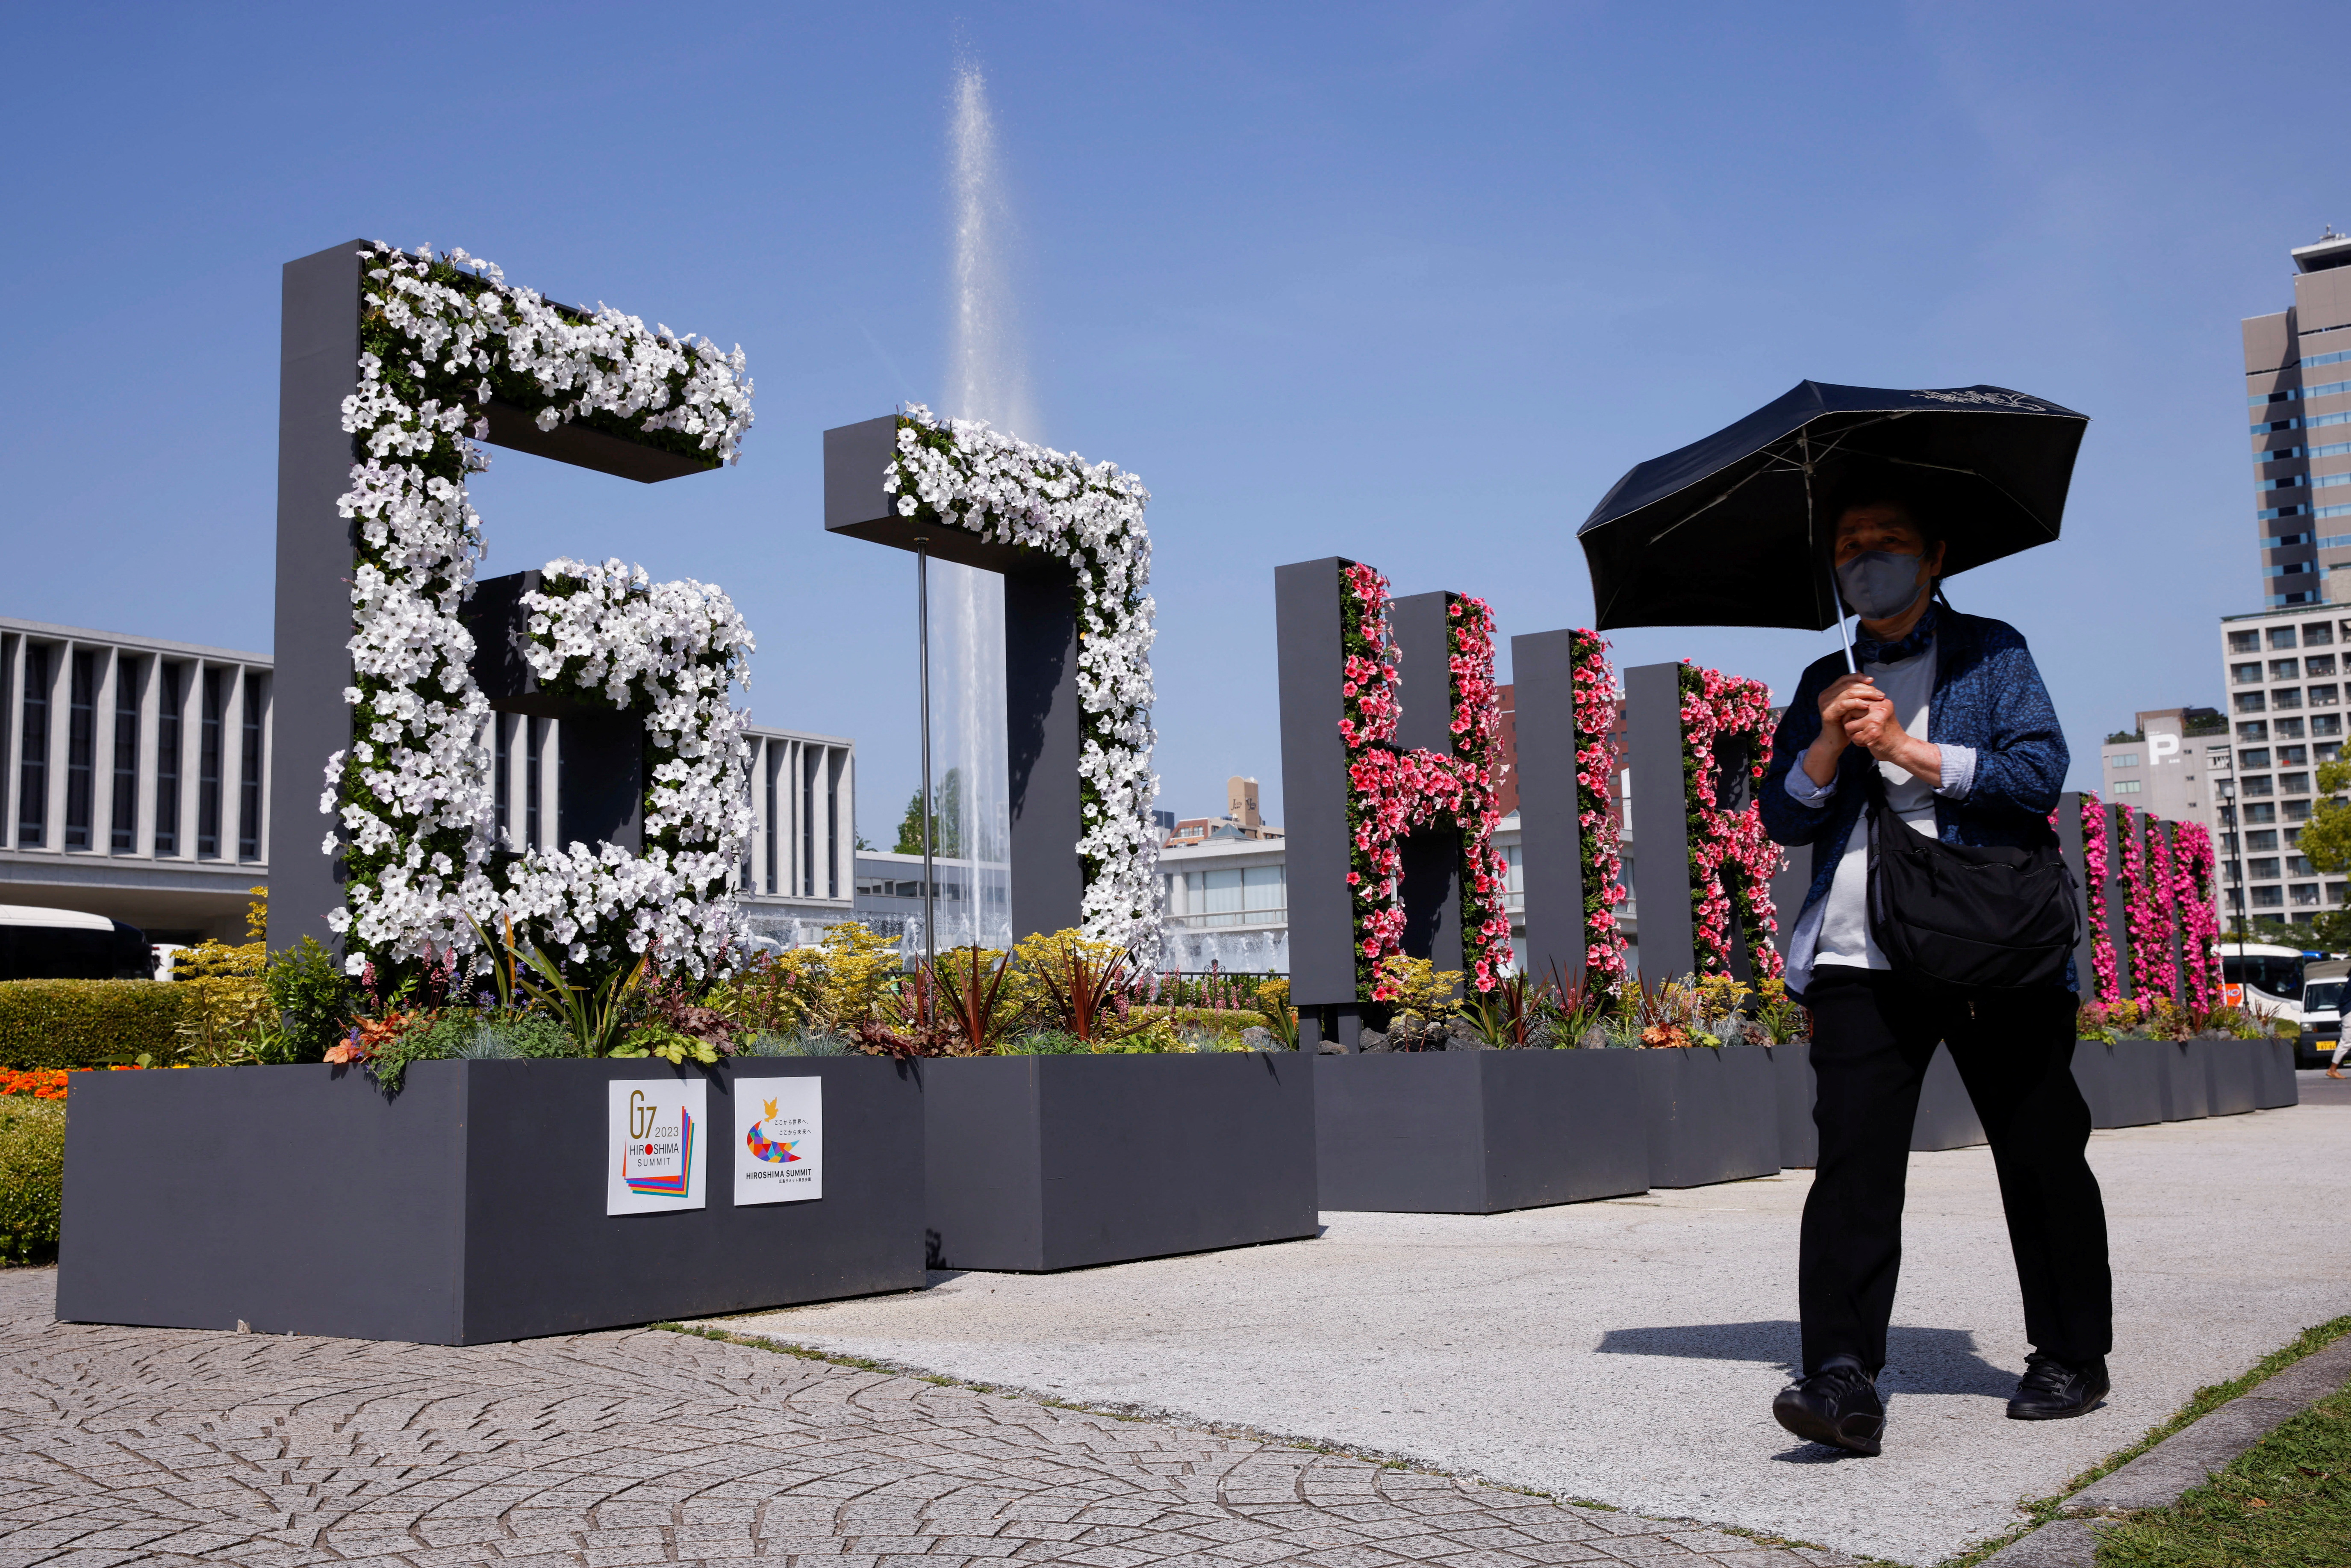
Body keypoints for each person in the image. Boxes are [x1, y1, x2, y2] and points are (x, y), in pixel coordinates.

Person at [1756, 480, 2111, 1457]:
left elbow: (2036, 773)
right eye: (1850, 542)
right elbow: (1783, 816)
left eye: (1888, 536)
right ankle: (1838, 1374)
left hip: (1990, 939)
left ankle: (2071, 1352)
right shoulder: (1818, 677)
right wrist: (1830, 736)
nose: (1866, 551)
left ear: (1934, 555)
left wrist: (1908, 749)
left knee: (2038, 1147)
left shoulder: (1992, 651)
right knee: (1852, 1168)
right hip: (1858, 947)